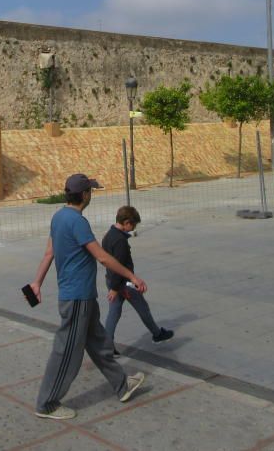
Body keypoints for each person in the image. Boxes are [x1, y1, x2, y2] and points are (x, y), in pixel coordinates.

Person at [30, 173, 148, 420]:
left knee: (99, 344)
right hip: (77, 298)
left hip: (84, 296)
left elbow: (49, 252)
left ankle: (122, 385)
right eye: (90, 191)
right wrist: (132, 277)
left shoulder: (58, 216)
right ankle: (46, 403)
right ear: (84, 195)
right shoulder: (77, 222)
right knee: (67, 352)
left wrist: (37, 282)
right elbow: (102, 257)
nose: (91, 194)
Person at [102, 206, 174, 354]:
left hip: (112, 281)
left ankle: (106, 346)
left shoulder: (108, 235)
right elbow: (118, 265)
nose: (133, 228)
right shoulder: (120, 241)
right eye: (133, 225)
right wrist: (116, 288)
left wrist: (113, 286)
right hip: (123, 284)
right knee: (142, 307)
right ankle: (157, 334)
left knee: (114, 312)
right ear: (127, 222)